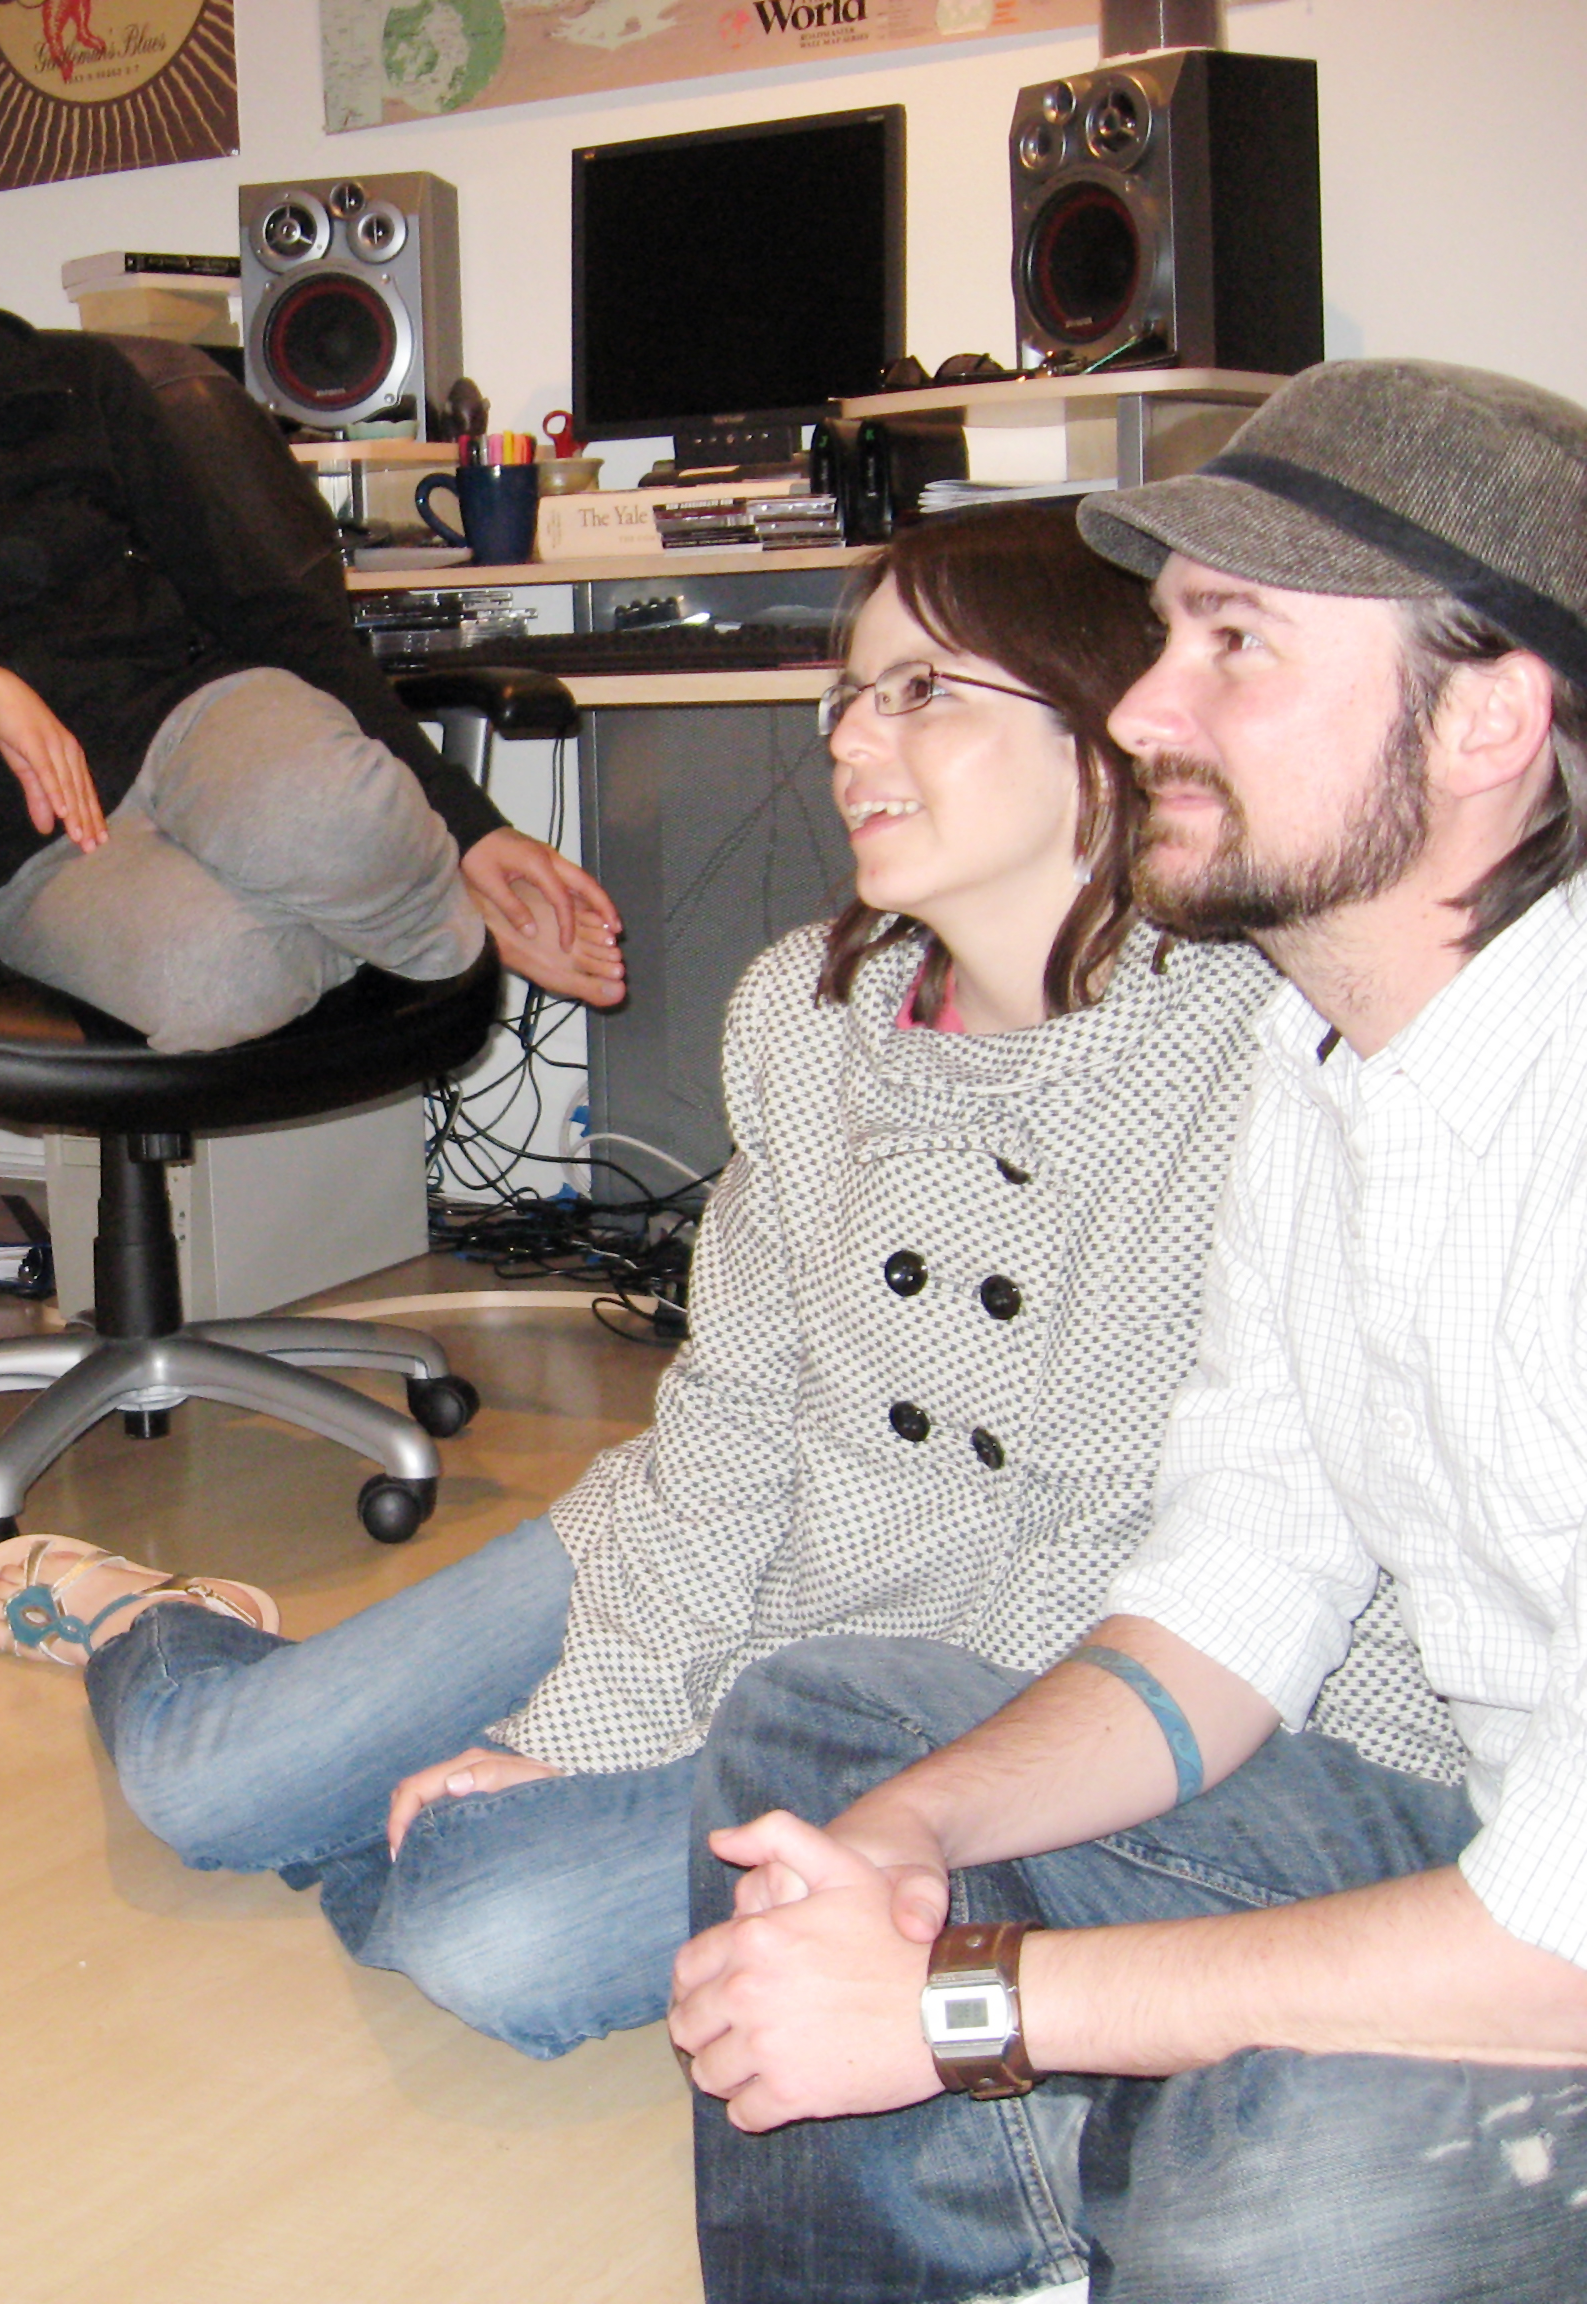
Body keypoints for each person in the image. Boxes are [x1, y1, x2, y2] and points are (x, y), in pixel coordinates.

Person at [0, 500, 1461, 2059]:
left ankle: (442, 1805)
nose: (849, 742)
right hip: (744, 1549)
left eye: (922, 691)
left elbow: (1116, 1556)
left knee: (497, 1932)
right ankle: (155, 1620)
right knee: (212, 1781)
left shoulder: (1236, 1053)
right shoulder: (810, 1017)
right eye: (847, 698)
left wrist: (704, 1748)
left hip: (1022, 1692)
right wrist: (586, 1732)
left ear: (1106, 727)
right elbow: (730, 1428)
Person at [668, 359, 1587, 2302]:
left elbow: (1559, 1942)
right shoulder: (1324, 1063)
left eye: (1235, 645)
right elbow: (1238, 1590)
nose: (1147, 709)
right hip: (1499, 1832)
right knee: (815, 1756)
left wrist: (964, 2002)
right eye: (1163, 639)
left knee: (1267, 2205)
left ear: (1490, 717)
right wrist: (905, 1840)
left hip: (1558, 1929)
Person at [0, 59, 625, 1053]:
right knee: (214, 979)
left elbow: (269, 610)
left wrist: (470, 828)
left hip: (198, 722)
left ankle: (434, 912)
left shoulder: (74, 381)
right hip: (21, 843)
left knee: (338, 819)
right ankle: (422, 919)